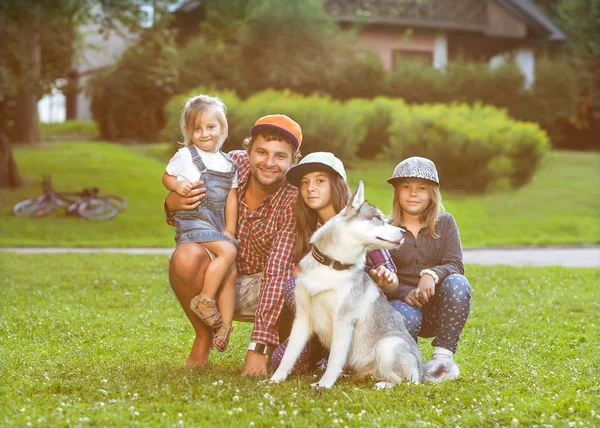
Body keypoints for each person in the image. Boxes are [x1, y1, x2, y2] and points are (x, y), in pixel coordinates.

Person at [165, 114, 302, 375]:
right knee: (185, 256)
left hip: (267, 286)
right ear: (247, 151)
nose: (269, 163)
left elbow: (277, 271)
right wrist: (171, 202)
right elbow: (185, 198)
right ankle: (204, 336)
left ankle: (280, 343)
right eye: (261, 152)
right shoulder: (228, 165)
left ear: (293, 161)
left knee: (295, 280)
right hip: (219, 278)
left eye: (280, 156)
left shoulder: (292, 200)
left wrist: (257, 347)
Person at [270, 152, 399, 373]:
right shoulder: (302, 227)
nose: (311, 188)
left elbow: (390, 277)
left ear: (337, 184)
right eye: (305, 183)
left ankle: (344, 359)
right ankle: (322, 352)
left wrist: (384, 277)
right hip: (316, 322)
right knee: (277, 361)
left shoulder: (359, 224)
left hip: (356, 321)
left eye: (320, 181)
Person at [162, 95, 238, 352]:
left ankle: (224, 327)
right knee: (228, 251)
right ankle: (205, 300)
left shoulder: (229, 163)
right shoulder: (186, 155)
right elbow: (166, 176)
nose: (204, 133)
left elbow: (231, 199)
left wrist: (229, 229)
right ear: (188, 131)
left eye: (211, 127)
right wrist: (176, 185)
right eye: (197, 128)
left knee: (230, 270)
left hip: (215, 227)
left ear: (222, 128)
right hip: (193, 222)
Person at [384, 156, 471, 369]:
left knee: (458, 283)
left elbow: (455, 264)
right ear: (397, 192)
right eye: (406, 187)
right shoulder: (384, 230)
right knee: (402, 315)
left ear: (431, 194)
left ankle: (442, 358)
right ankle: (407, 359)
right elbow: (379, 279)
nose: (413, 193)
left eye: (421, 188)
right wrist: (404, 292)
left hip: (437, 307)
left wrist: (431, 274)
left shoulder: (445, 222)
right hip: (402, 307)